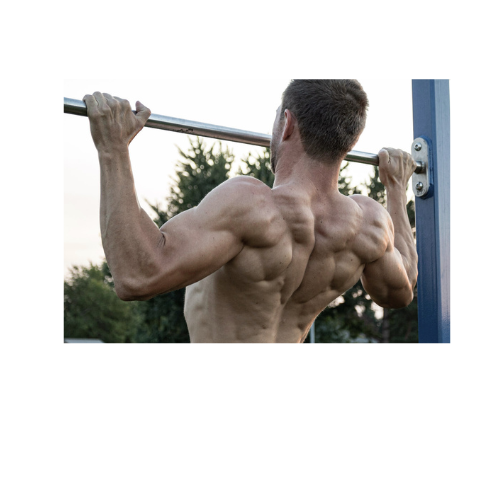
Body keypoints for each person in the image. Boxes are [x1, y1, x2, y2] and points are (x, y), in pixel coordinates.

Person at [83, 79, 418, 344]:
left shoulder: (252, 207)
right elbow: (399, 291)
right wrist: (396, 188)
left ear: (287, 123)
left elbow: (137, 275)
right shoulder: (368, 225)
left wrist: (113, 149)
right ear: (349, 142)